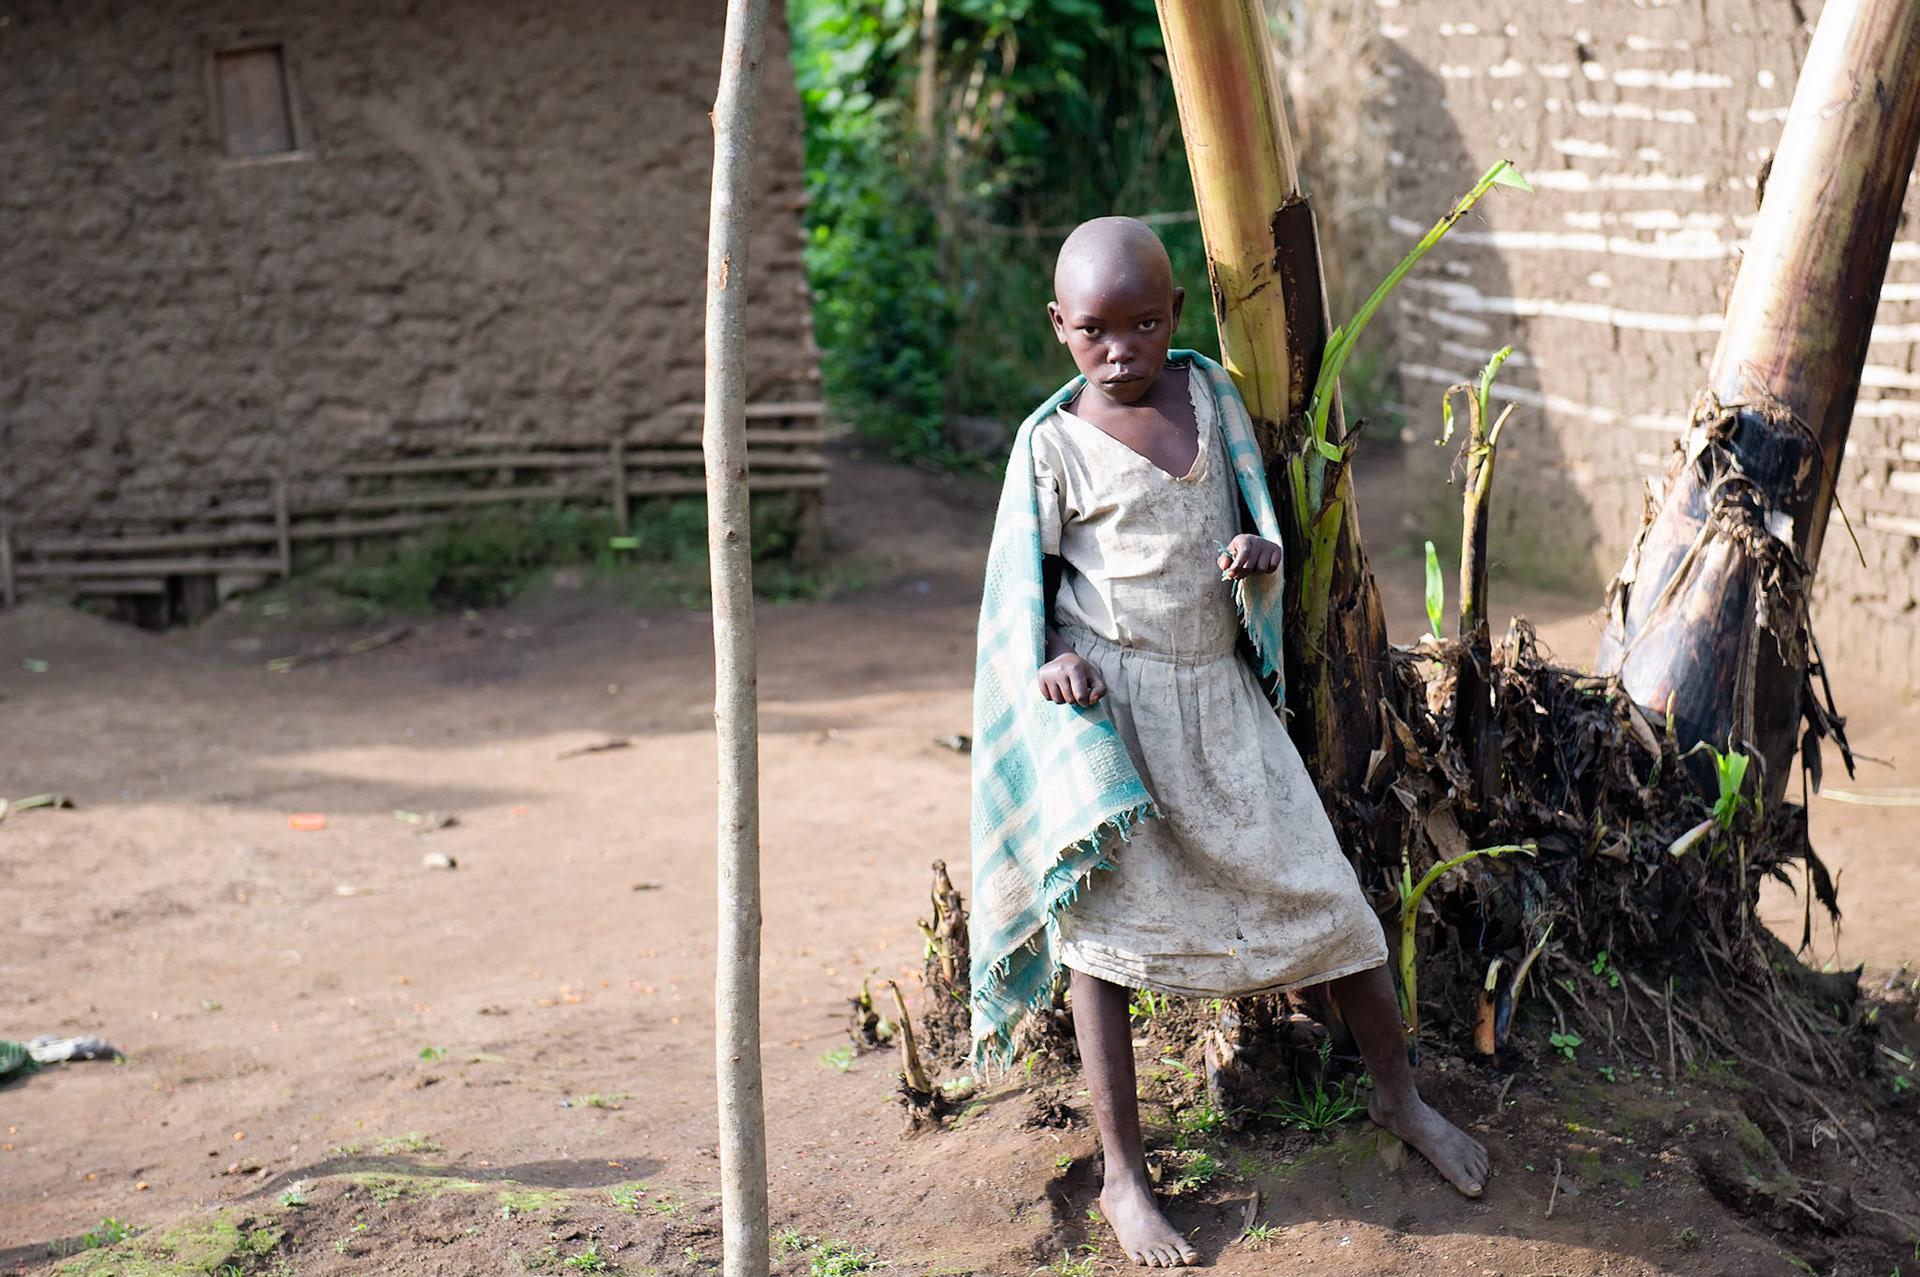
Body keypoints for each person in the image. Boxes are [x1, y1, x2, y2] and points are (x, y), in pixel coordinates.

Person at [966, 217, 1488, 1269]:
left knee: (1332, 902)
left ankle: (1400, 1096)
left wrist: (1261, 549)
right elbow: (1028, 597)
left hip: (1223, 708)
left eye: (1146, 321)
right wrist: (1058, 663)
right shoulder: (1053, 445)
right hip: (1123, 727)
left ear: (1176, 316)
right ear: (1060, 327)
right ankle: (1122, 1175)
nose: (1124, 349)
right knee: (1100, 949)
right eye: (1098, 330)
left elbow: (1260, 524)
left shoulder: (1208, 399)